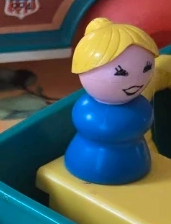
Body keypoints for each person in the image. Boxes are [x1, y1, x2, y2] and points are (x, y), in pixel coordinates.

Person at [65, 18, 159, 185]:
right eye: (121, 73)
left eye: (146, 68)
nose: (136, 80)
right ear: (85, 69)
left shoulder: (140, 105)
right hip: (86, 162)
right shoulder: (87, 108)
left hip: (135, 161)